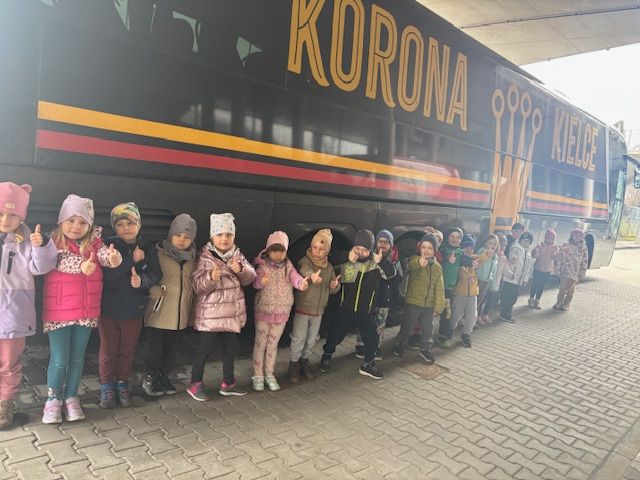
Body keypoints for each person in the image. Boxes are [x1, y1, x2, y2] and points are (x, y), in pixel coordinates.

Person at [42, 194, 123, 424]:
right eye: (71, 220)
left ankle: (71, 397)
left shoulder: (96, 243)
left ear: (90, 225)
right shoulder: (52, 242)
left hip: (86, 312)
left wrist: (114, 258)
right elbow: (55, 262)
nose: (76, 226)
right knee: (59, 359)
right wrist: (82, 265)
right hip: (59, 311)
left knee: (77, 358)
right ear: (61, 220)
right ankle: (53, 400)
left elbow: (104, 255)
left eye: (82, 222)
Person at [0, 183, 58, 429]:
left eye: (12, 214)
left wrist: (42, 245)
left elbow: (41, 267)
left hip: (13, 312)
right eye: (1, 213)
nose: (6, 220)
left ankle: (5, 403)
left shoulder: (26, 240)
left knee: (9, 363)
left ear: (22, 215)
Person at [188, 213, 256, 401]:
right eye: (219, 235)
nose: (224, 239)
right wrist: (210, 277)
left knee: (230, 350)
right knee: (203, 351)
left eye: (229, 235)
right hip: (210, 316)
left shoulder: (237, 256)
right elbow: (197, 286)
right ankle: (195, 383)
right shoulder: (204, 257)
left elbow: (251, 278)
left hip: (231, 314)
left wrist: (241, 270)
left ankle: (228, 383)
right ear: (212, 237)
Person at [99, 202, 160, 408]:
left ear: (139, 224)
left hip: (134, 309)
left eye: (130, 223)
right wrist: (131, 261)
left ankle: (122, 383)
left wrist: (142, 281)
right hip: (108, 309)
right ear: (114, 227)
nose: (125, 228)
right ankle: (107, 385)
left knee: (127, 350)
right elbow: (106, 276)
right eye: (120, 224)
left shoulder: (148, 247)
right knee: (108, 350)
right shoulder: (107, 246)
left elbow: (156, 273)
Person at [320, 229, 395, 379]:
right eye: (357, 248)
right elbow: (330, 260)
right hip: (345, 308)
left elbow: (391, 273)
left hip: (366, 310)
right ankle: (326, 355)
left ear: (371, 250)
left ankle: (368, 363)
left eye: (364, 250)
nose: (360, 252)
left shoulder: (375, 263)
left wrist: (382, 262)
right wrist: (346, 256)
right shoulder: (347, 258)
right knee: (335, 334)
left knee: (372, 336)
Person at [142, 214, 196, 397]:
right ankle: (150, 376)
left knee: (172, 349)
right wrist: (152, 289)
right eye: (178, 235)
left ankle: (164, 375)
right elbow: (147, 274)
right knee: (154, 349)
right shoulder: (157, 253)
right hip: (159, 311)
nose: (181, 240)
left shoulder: (193, 258)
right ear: (171, 234)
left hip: (181, 313)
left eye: (187, 237)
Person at [251, 231, 308, 392]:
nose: (278, 254)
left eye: (281, 251)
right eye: (274, 250)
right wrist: (261, 281)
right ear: (268, 250)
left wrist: (302, 284)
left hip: (282, 312)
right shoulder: (262, 266)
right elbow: (254, 283)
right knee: (260, 344)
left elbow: (295, 278)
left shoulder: (288, 267)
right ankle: (257, 375)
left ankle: (269, 373)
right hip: (264, 311)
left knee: (273, 345)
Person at [288, 229, 340, 383]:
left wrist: (334, 286)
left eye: (322, 249)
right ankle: (294, 363)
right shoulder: (305, 261)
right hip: (303, 308)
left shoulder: (329, 267)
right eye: (315, 247)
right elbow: (304, 270)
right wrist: (312, 276)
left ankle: (304, 360)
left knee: (311, 339)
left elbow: (332, 290)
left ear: (327, 251)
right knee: (298, 337)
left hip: (318, 311)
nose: (317, 251)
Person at [393, 234, 444, 361]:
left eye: (430, 248)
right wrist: (418, 263)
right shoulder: (414, 260)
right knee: (407, 326)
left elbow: (439, 288)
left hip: (429, 305)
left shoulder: (437, 267)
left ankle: (425, 348)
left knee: (428, 329)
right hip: (413, 302)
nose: (426, 250)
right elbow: (409, 266)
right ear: (419, 248)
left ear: (435, 250)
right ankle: (400, 344)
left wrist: (439, 305)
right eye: (424, 247)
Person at [355, 230, 402, 361]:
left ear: (391, 245)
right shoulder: (370, 256)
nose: (382, 244)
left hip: (384, 299)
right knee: (364, 322)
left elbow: (398, 279)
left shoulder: (395, 260)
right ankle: (361, 344)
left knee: (380, 324)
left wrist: (383, 262)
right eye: (380, 241)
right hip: (369, 298)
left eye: (386, 242)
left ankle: (376, 346)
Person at [436, 227, 463, 348]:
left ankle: (443, 336)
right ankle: (419, 335)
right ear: (447, 237)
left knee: (447, 313)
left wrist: (475, 263)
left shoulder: (461, 252)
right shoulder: (442, 250)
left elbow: (468, 261)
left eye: (458, 237)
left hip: (449, 289)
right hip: (437, 287)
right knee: (430, 312)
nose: (455, 239)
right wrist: (448, 259)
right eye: (452, 236)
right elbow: (443, 257)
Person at [499, 231, 534, 323]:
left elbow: (528, 267)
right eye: (524, 240)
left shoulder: (528, 253)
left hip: (518, 280)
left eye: (528, 241)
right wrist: (512, 260)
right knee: (508, 297)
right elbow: (511, 259)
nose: (525, 243)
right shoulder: (516, 249)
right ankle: (504, 314)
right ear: (520, 240)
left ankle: (507, 313)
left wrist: (525, 279)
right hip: (511, 278)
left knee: (514, 297)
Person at [553, 229, 588, 311]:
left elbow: (585, 260)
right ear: (572, 236)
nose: (577, 237)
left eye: (579, 236)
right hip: (565, 271)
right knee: (562, 288)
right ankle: (559, 302)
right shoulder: (566, 244)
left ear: (582, 237)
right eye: (575, 235)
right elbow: (559, 254)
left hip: (575, 273)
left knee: (570, 289)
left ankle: (566, 304)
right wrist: (556, 258)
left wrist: (582, 272)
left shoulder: (583, 248)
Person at [528, 228, 559, 310]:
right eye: (548, 238)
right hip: (538, 269)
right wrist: (535, 252)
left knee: (541, 286)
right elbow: (535, 256)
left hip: (547, 270)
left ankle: (537, 301)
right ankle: (531, 299)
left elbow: (555, 258)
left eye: (552, 238)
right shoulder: (540, 245)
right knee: (534, 284)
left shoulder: (555, 247)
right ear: (545, 238)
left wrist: (557, 255)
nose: (550, 240)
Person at [476, 234, 499, 325]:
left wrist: (492, 283)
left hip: (486, 280)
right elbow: (479, 262)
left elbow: (493, 270)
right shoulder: (482, 251)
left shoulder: (495, 255)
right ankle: (474, 318)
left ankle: (476, 317)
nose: (493, 245)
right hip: (478, 279)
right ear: (485, 243)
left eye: (495, 244)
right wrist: (487, 254)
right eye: (490, 243)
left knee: (481, 300)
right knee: (476, 301)